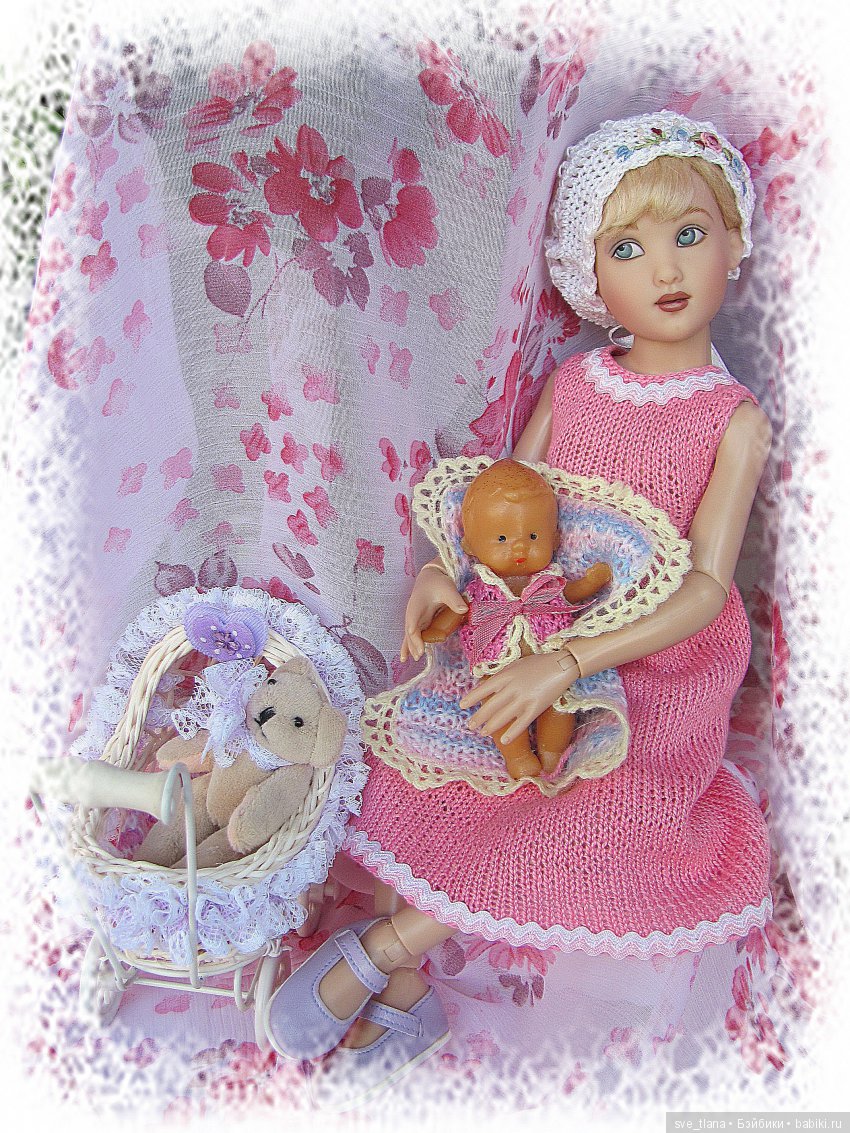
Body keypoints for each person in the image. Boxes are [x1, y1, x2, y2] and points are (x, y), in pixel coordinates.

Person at [263, 110, 773, 1103]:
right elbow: (505, 496)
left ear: (733, 243)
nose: (666, 268)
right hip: (531, 624)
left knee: (581, 813)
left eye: (689, 233)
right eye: (627, 248)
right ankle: (408, 993)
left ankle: (389, 949)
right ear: (591, 277)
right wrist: (445, 573)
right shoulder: (574, 381)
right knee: (455, 762)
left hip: (650, 671)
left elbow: (707, 588)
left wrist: (572, 663)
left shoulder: (731, 417)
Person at [421, 457, 612, 780]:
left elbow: (569, 595)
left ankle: (552, 754)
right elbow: (459, 609)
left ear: (554, 539)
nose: (520, 548)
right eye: (501, 540)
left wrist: (590, 583)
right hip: (496, 670)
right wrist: (439, 628)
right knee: (500, 712)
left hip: (549, 666)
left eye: (534, 537)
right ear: (470, 545)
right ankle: (518, 756)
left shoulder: (549, 584)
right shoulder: (480, 591)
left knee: (560, 706)